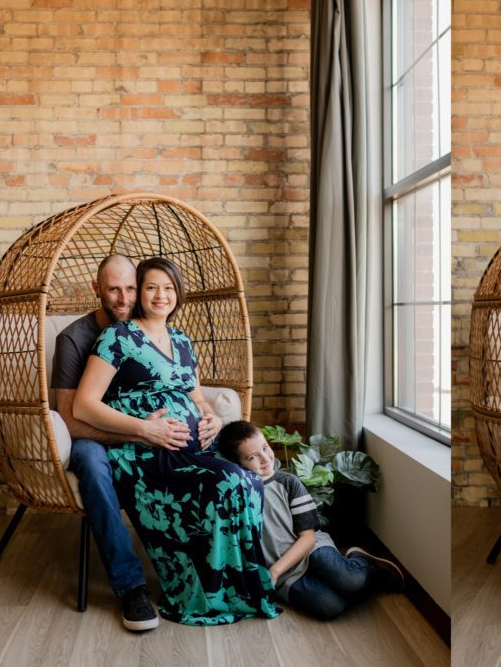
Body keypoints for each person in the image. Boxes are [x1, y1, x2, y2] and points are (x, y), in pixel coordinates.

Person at [73, 256, 278, 626]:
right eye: (151, 287)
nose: (160, 295)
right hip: (143, 453)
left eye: (168, 288)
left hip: (194, 447)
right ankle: (201, 593)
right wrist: (143, 429)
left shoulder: (183, 341)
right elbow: (83, 405)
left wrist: (211, 415)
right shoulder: (117, 337)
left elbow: (195, 397)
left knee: (246, 482)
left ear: (178, 293)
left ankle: (239, 585)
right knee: (228, 481)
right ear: (140, 293)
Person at [52, 254, 189, 631]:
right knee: (95, 467)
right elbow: (68, 420)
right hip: (90, 434)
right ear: (97, 290)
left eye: (131, 288)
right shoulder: (74, 339)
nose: (124, 298)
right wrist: (137, 431)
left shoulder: (146, 333)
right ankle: (131, 586)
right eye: (114, 289)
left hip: (144, 428)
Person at [216, 420, 404, 620]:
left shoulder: (288, 483)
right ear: (237, 466)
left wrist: (274, 571)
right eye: (253, 457)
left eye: (265, 448)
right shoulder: (235, 498)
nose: (265, 458)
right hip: (286, 577)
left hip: (308, 549)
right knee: (329, 607)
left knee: (350, 580)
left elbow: (308, 538)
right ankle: (336, 582)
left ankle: (363, 564)